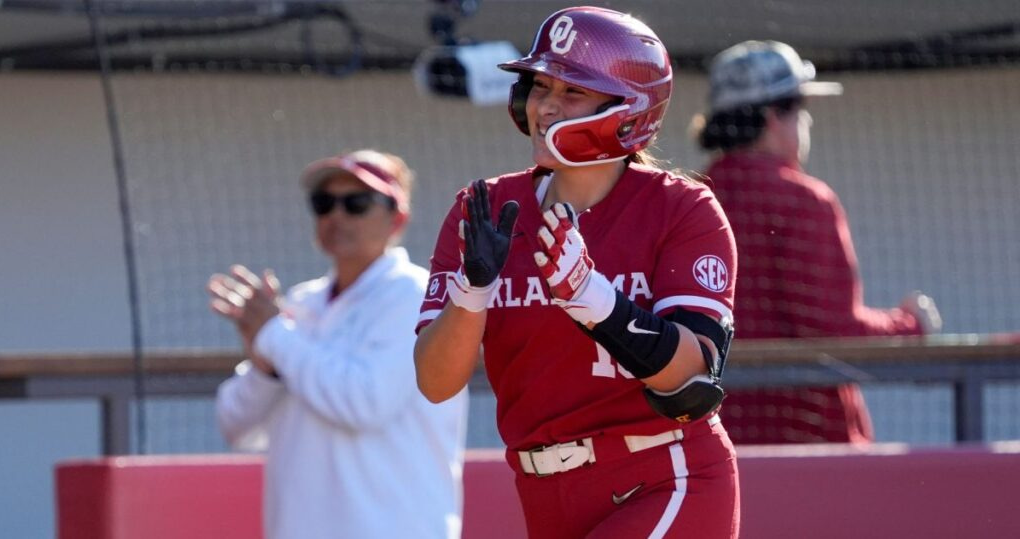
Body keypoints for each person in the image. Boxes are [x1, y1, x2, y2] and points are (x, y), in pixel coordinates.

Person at [415, 7, 739, 538]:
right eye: (540, 86)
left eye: (572, 91)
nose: (545, 106)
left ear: (629, 111)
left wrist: (592, 298)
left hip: (664, 475)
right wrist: (471, 293)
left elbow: (693, 376)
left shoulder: (681, 209)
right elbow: (434, 383)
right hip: (543, 492)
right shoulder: (488, 209)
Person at [209, 150, 468, 539]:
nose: (336, 216)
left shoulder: (417, 295)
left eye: (357, 203)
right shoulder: (300, 303)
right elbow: (236, 427)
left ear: (398, 218)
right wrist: (266, 368)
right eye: (323, 203)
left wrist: (274, 336)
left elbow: (366, 402)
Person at [693, 40, 942, 444]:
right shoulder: (803, 201)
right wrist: (910, 326)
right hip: (808, 445)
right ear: (773, 117)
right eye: (801, 109)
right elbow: (836, 333)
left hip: (708, 444)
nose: (806, 122)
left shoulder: (687, 199)